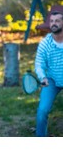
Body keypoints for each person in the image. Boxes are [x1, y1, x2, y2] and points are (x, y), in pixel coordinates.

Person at [34, 8, 63, 137]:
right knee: (42, 111)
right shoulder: (45, 43)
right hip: (52, 80)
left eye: (57, 21)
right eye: (51, 21)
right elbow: (39, 64)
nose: (54, 23)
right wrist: (43, 77)